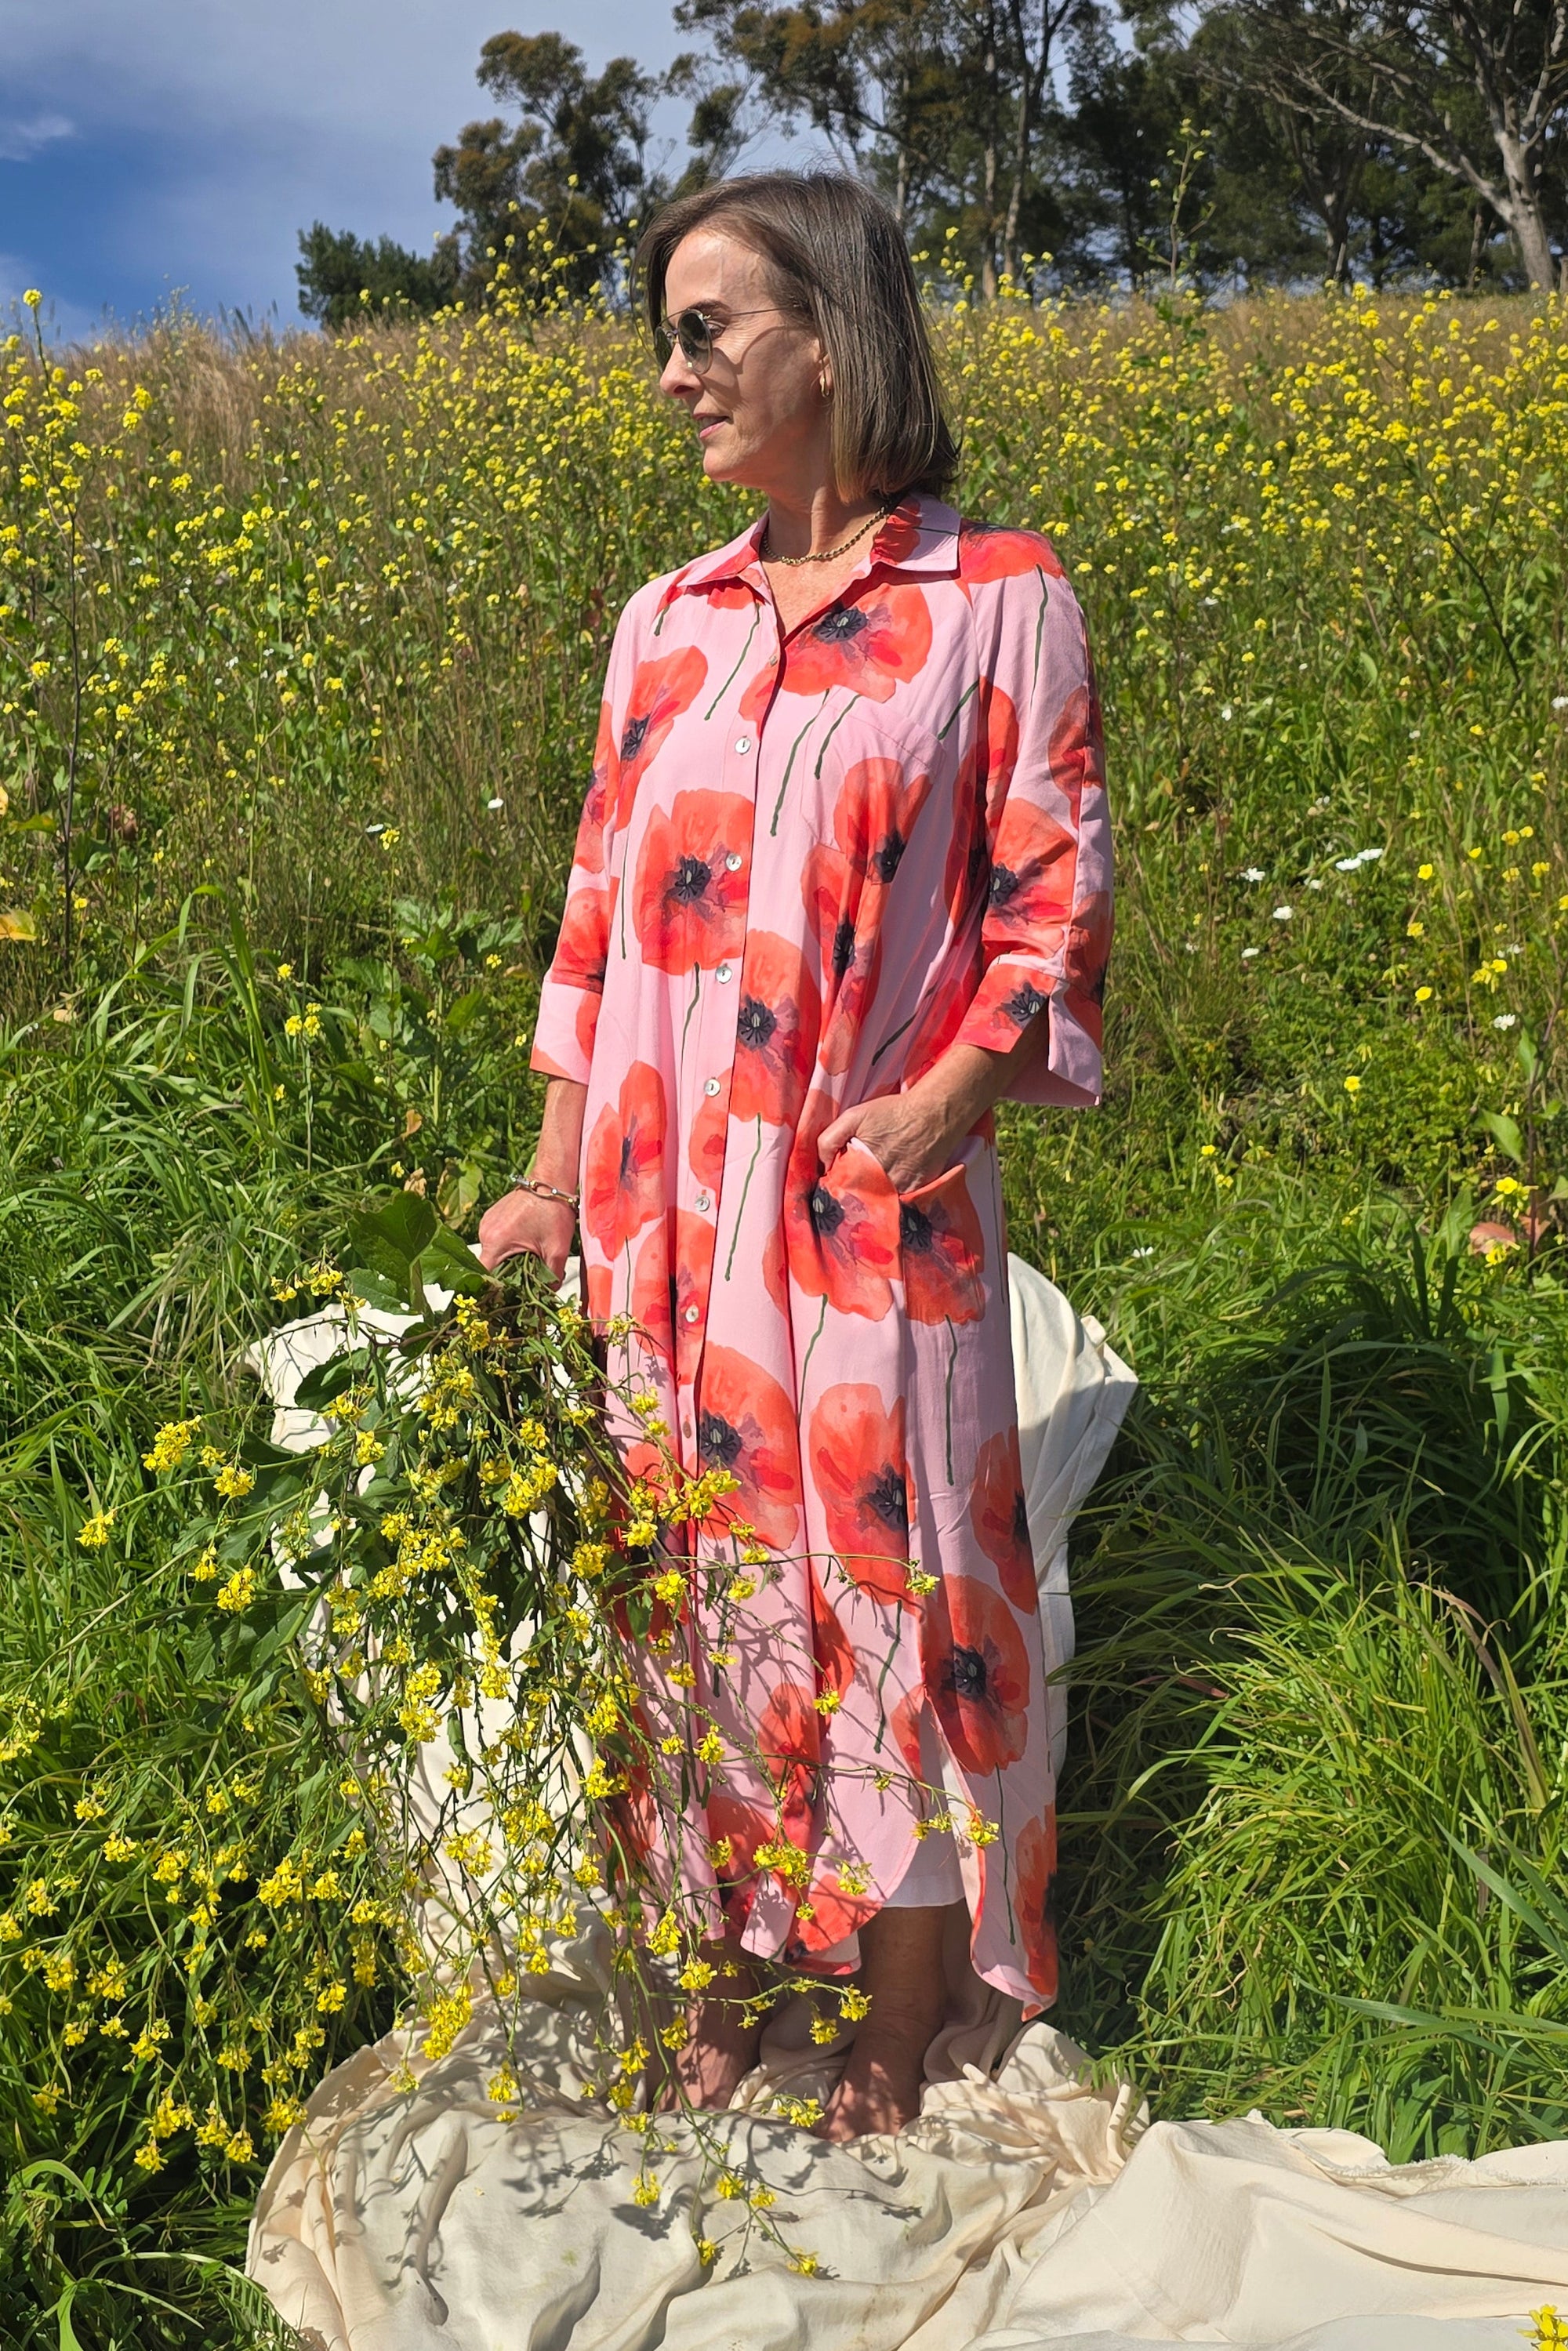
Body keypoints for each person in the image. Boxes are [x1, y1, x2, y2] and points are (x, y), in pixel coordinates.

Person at [477, 171, 1112, 2143]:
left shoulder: (994, 596)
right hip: (664, 1218)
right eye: (662, 334)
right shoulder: (659, 625)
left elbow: (1052, 901)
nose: (672, 374)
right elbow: (594, 921)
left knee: (882, 1585)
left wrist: (954, 1097)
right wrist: (548, 1173)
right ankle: (732, 1965)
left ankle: (906, 1999)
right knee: (691, 1596)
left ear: (827, 339)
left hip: (869, 1198)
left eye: (705, 328)